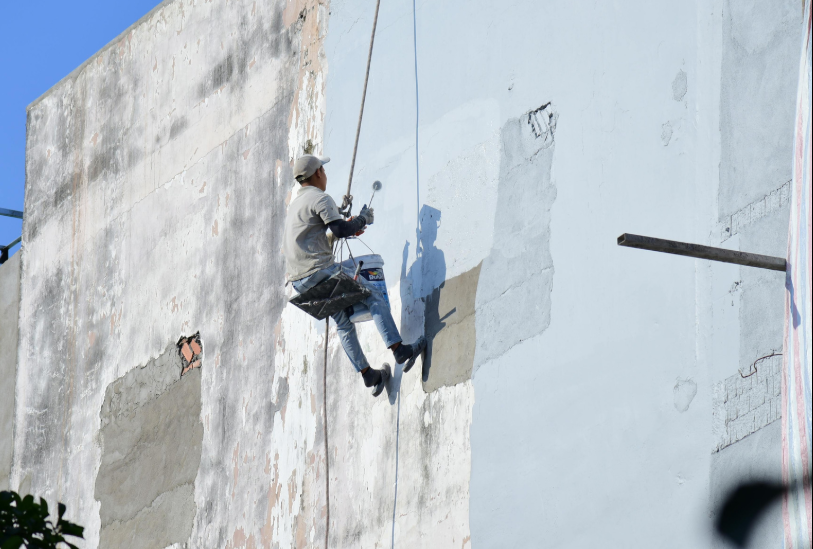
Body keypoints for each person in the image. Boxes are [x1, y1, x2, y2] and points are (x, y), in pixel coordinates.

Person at [282, 154, 426, 397]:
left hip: (300, 283)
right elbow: (339, 228)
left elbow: (313, 238)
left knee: (342, 321)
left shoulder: (295, 205)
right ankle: (399, 349)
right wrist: (362, 219)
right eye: (323, 170)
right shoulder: (320, 198)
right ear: (317, 173)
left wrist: (346, 228)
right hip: (318, 272)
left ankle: (370, 375)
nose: (325, 175)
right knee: (372, 295)